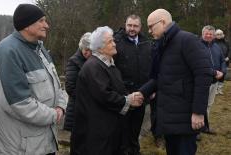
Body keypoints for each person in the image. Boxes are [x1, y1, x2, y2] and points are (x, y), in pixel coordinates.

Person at [139, 9, 213, 155]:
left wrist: (198, 112)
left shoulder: (187, 40)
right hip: (169, 118)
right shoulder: (162, 45)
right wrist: (142, 92)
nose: (149, 31)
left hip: (185, 118)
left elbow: (204, 74)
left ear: (163, 22)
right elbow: (160, 77)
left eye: (151, 26)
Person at [0, 4, 67, 155]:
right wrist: (54, 115)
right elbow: (18, 103)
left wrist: (61, 106)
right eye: (41, 21)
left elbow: (56, 85)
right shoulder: (9, 51)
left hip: (44, 143)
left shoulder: (40, 49)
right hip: (21, 148)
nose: (46, 25)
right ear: (27, 24)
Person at [72, 26, 144, 155]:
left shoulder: (108, 64)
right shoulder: (93, 67)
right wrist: (128, 100)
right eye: (110, 42)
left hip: (107, 132)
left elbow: (116, 89)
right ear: (100, 48)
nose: (114, 44)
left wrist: (129, 96)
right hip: (95, 135)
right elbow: (104, 95)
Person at [114, 14, 152, 155]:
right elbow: (113, 70)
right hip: (124, 95)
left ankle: (135, 151)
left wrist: (150, 90)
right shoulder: (117, 42)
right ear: (125, 25)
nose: (132, 28)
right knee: (123, 129)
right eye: (129, 25)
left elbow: (151, 68)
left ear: (140, 27)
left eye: (135, 26)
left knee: (136, 128)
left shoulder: (146, 43)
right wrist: (122, 93)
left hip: (142, 94)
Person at [63, 32, 92, 154]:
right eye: (84, 49)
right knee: (77, 144)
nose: (86, 52)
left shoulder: (94, 60)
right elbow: (70, 88)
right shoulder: (74, 61)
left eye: (89, 49)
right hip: (77, 109)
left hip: (89, 109)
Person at [201, 25, 226, 133]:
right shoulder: (197, 46)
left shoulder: (217, 47)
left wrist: (223, 72)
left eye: (211, 34)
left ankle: (205, 127)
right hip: (202, 82)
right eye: (206, 33)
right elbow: (199, 65)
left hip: (214, 82)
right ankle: (197, 129)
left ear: (214, 35)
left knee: (209, 105)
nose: (208, 35)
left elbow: (222, 61)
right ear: (202, 34)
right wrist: (214, 72)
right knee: (200, 105)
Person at [215, 29, 230, 94]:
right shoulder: (213, 42)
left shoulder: (226, 42)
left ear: (223, 34)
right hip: (215, 61)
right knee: (215, 74)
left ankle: (220, 89)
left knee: (223, 74)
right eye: (217, 34)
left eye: (220, 34)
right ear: (215, 35)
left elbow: (230, 50)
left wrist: (228, 57)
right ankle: (215, 89)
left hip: (224, 61)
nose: (219, 35)